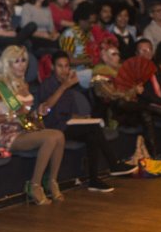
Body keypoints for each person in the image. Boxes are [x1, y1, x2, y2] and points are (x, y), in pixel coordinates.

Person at [36, 52, 136, 192]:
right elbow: (46, 108)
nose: (64, 70)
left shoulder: (67, 86)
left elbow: (71, 113)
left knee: (92, 134)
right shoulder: (48, 84)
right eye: (60, 66)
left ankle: (94, 180)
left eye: (66, 66)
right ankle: (114, 164)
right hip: (54, 127)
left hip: (67, 124)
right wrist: (64, 87)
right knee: (93, 129)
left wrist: (82, 118)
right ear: (53, 67)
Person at [0, 46, 68, 205]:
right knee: (51, 137)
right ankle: (34, 185)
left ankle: (52, 182)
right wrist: (14, 114)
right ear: (8, 64)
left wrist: (39, 112)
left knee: (60, 136)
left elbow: (27, 116)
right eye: (17, 61)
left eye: (23, 61)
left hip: (24, 130)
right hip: (7, 136)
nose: (22, 65)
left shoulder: (25, 85)